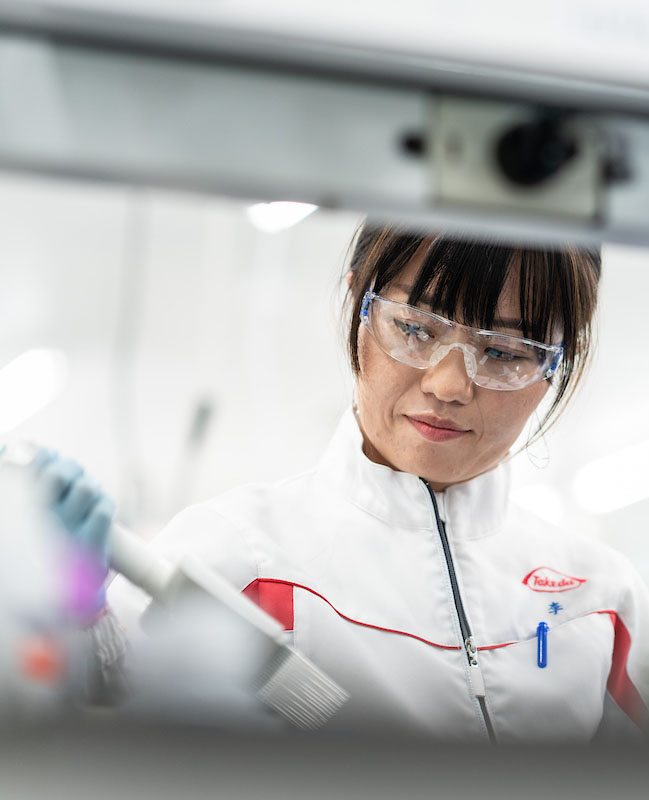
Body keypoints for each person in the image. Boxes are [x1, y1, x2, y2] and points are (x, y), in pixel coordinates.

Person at [35, 225, 649, 742]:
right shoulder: (235, 556)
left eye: (506, 352)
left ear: (557, 365)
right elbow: (87, 731)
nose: (448, 385)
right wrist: (79, 622)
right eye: (415, 328)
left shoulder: (603, 601)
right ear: (359, 304)